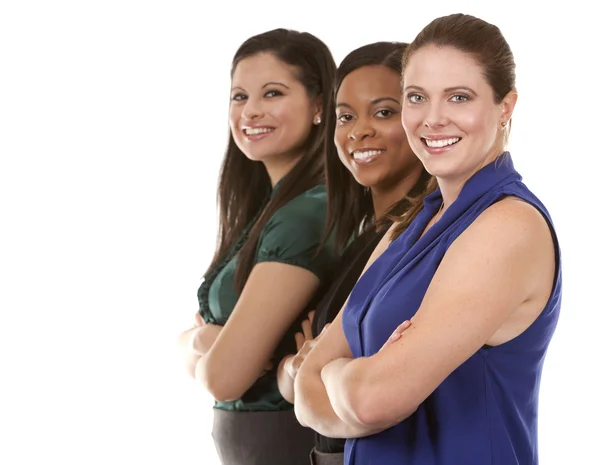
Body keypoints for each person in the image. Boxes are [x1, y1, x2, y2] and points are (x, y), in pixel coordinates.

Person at [294, 13, 561, 465]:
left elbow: (370, 400)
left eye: (459, 97)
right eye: (417, 98)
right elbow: (305, 391)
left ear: (505, 106)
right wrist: (356, 382)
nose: (433, 120)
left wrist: (338, 373)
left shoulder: (509, 225)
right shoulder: (411, 221)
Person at [177, 28, 337, 465]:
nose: (250, 111)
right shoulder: (268, 208)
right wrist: (201, 341)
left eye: (272, 93)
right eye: (239, 96)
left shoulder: (307, 214)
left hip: (284, 444)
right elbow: (197, 354)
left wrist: (204, 346)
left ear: (320, 105)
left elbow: (224, 378)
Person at [276, 41, 430, 465]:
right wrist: (302, 367)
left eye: (383, 112)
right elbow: (292, 375)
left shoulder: (423, 238)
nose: (358, 130)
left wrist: (309, 366)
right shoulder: (359, 239)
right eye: (346, 116)